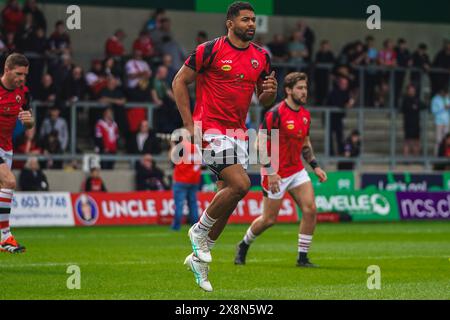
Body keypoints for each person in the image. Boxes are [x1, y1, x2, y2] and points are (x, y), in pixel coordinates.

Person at [172, 1, 277, 292]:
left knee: (228, 200)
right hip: (210, 127)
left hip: (238, 133)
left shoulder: (261, 57)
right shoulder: (210, 50)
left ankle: (199, 261)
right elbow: (179, 82)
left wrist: (270, 94)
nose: (251, 24)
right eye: (245, 20)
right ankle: (198, 231)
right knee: (241, 184)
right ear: (230, 23)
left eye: (254, 20)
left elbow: (264, 100)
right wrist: (188, 125)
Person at [234, 72, 327, 268]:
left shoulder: (305, 115)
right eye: (300, 88)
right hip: (275, 172)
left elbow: (306, 144)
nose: (304, 92)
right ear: (288, 90)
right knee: (269, 220)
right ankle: (243, 245)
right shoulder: (275, 114)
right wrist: (270, 171)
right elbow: (259, 145)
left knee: (310, 210)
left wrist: (316, 167)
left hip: (297, 171)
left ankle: (302, 258)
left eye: (305, 88)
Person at [0, 53, 34, 253]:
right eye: (19, 73)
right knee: (10, 182)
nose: (22, 78)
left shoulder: (24, 92)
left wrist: (28, 120)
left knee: (4, 189)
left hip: (7, 148)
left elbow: (29, 124)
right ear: (7, 70)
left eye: (25, 75)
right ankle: (5, 237)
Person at [170, 136, 202, 231]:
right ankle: (195, 227)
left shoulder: (181, 147)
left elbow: (172, 158)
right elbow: (201, 164)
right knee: (193, 205)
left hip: (181, 180)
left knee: (179, 204)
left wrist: (172, 145)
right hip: (194, 180)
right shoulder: (197, 148)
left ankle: (176, 226)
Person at [401, 84, 426, 156]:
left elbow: (423, 106)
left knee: (416, 141)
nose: (412, 92)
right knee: (407, 141)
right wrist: (413, 107)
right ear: (408, 91)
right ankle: (406, 158)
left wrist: (416, 106)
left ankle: (416, 157)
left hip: (416, 123)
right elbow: (404, 108)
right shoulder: (405, 99)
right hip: (408, 123)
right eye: (410, 90)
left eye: (413, 90)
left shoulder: (416, 99)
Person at [431, 87, 450, 153]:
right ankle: (437, 153)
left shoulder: (447, 98)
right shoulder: (435, 99)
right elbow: (434, 111)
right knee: (438, 139)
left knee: (447, 139)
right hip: (439, 121)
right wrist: (443, 108)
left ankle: (446, 153)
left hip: (446, 121)